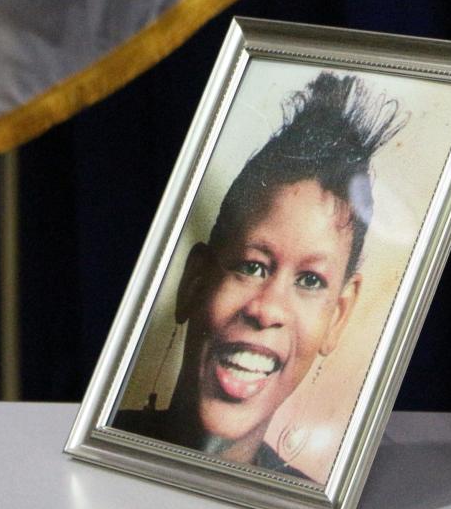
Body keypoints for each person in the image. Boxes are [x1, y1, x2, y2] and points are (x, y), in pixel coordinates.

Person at [115, 72, 404, 477]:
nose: (267, 310)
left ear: (337, 316)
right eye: (252, 267)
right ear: (194, 281)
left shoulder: (306, 501)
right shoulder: (109, 444)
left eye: (310, 281)